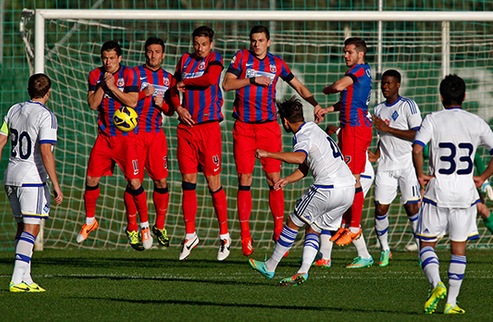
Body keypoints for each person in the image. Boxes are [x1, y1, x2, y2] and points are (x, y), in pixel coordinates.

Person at [222, 25, 322, 256]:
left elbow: (297, 85)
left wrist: (315, 103)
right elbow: (227, 84)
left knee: (274, 178)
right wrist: (252, 80)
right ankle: (245, 234)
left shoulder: (277, 64)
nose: (256, 44)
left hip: (268, 128)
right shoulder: (241, 58)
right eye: (253, 40)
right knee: (244, 178)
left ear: (268, 42)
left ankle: (278, 230)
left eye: (260, 40)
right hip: (243, 128)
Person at [248, 97, 355, 286]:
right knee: (313, 226)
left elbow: (299, 158)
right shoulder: (315, 130)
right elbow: (306, 166)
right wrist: (287, 179)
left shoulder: (303, 136)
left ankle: (270, 266)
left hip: (328, 188)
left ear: (285, 121)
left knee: (292, 222)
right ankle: (303, 271)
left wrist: (269, 153)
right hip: (348, 190)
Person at [412, 74, 493, 314]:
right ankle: (452, 303)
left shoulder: (433, 119)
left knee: (426, 244)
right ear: (464, 96)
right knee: (459, 249)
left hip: (438, 191)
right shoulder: (476, 122)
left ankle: (437, 284)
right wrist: (484, 176)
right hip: (466, 194)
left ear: (441, 96)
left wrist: (419, 173)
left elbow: (417, 148)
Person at [76, 40, 149, 251]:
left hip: (127, 139)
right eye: (104, 58)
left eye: (111, 58)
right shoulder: (94, 75)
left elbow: (133, 102)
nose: (107, 62)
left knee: (135, 183)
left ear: (120, 58)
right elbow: (92, 104)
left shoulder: (131, 74)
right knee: (91, 178)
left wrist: (113, 87)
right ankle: (90, 221)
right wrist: (102, 85)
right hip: (105, 137)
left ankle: (144, 226)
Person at [0, 73, 63, 292]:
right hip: (31, 179)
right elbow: (46, 151)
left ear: (29, 90)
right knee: (32, 227)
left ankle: (26, 277)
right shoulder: (46, 115)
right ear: (48, 92)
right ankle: (17, 279)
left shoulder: (13, 109)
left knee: (23, 227)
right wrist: (55, 184)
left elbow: (0, 141)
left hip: (11, 176)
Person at [315, 37, 373, 268]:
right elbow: (349, 100)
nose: (346, 56)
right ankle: (348, 226)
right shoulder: (360, 75)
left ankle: (354, 226)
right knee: (348, 178)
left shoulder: (359, 70)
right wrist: (329, 109)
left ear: (360, 54)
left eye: (349, 52)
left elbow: (338, 87)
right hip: (351, 128)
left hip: (355, 130)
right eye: (344, 52)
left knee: (352, 179)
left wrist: (326, 90)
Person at [174, 26, 231, 261]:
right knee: (188, 182)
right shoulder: (185, 59)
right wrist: (178, 107)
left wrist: (184, 83)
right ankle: (190, 235)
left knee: (212, 181)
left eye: (204, 44)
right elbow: (172, 90)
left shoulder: (215, 59)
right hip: (186, 129)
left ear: (211, 45)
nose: (199, 48)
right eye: (196, 44)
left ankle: (225, 236)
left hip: (208, 128)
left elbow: (210, 79)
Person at [370, 69, 422, 267]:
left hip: (406, 165)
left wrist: (388, 128)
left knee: (412, 208)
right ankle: (384, 250)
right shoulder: (377, 109)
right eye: (383, 83)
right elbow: (382, 139)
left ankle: (421, 251)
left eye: (389, 83)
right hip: (385, 166)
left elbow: (418, 134)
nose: (385, 86)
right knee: (380, 208)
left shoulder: (408, 105)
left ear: (398, 84)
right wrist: (376, 153)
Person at [131, 36, 177, 249]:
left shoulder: (169, 79)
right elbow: (126, 99)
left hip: (156, 135)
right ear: (145, 53)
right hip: (135, 134)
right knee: (134, 182)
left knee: (161, 181)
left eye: (157, 52)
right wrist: (143, 95)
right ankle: (133, 227)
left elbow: (171, 109)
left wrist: (163, 105)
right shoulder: (135, 74)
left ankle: (160, 225)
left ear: (163, 54)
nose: (153, 55)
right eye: (149, 51)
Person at [313, 125, 374, 268]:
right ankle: (325, 256)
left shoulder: (358, 119)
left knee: (336, 214)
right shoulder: (349, 120)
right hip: (351, 173)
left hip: (360, 174)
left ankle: (362, 255)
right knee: (333, 213)